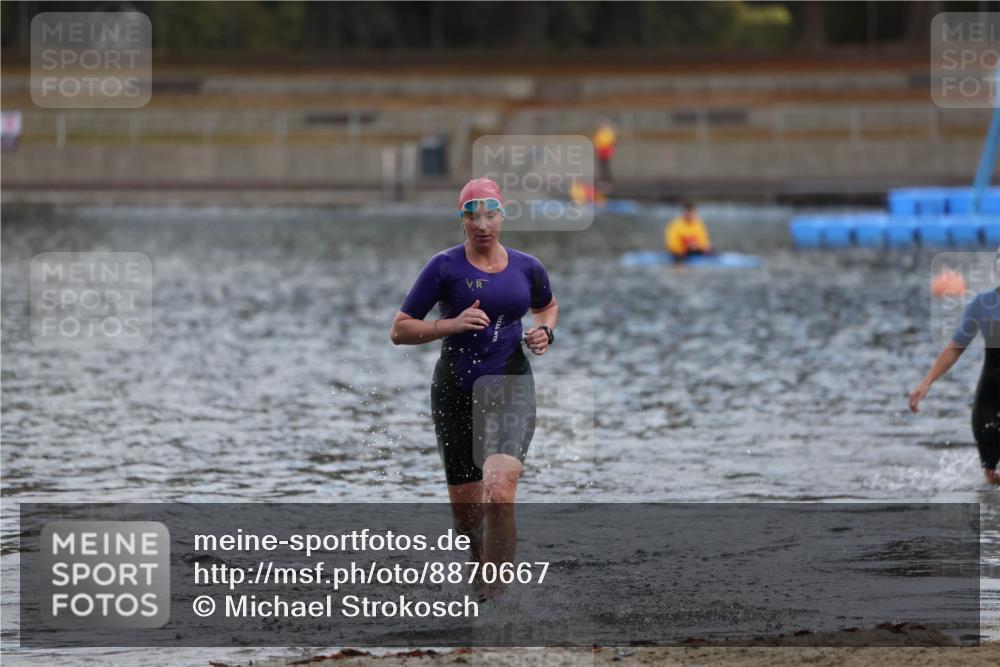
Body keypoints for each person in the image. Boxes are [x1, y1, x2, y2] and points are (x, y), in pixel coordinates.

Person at [390, 177, 559, 596]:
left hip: (510, 384)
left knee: (499, 492)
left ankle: (496, 602)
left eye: (490, 214)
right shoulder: (444, 267)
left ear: (503, 216)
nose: (482, 224)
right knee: (467, 519)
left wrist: (545, 333)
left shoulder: (527, 266)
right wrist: (451, 324)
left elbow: (547, 307)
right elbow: (400, 330)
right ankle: (480, 578)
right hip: (455, 392)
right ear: (461, 220)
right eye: (472, 215)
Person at [909, 248, 1000, 486]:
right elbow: (955, 347)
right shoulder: (983, 305)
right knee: (992, 479)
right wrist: (927, 382)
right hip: (989, 403)